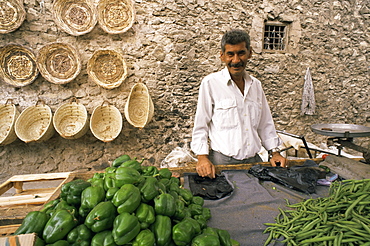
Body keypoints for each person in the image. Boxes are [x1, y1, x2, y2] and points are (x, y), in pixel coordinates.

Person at [191, 29, 287, 179]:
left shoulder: (256, 85)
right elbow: (201, 125)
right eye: (230, 54)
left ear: (250, 53)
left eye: (241, 53)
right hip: (222, 163)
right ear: (222, 56)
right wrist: (202, 157)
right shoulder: (210, 83)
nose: (236, 60)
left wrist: (275, 152)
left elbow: (265, 124)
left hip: (254, 162)